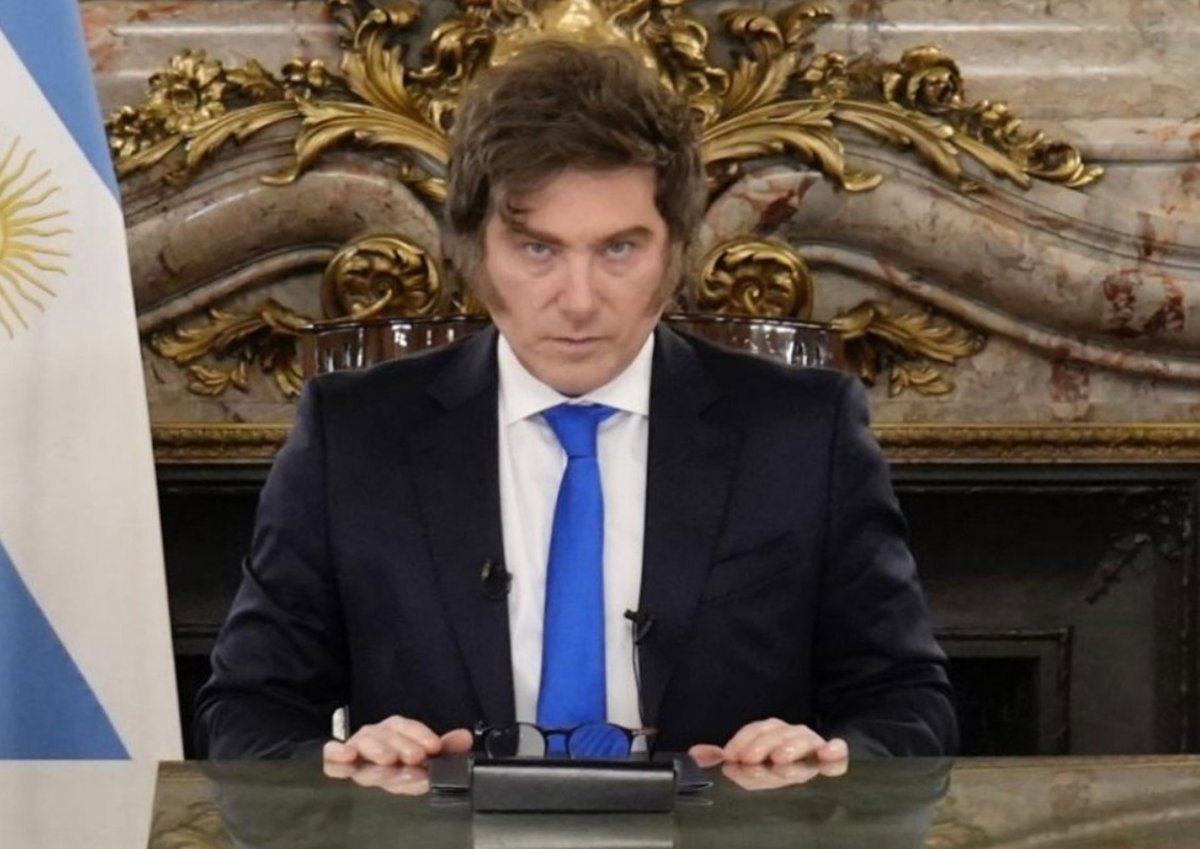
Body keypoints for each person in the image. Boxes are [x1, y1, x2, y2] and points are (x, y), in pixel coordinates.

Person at [195, 40, 956, 786]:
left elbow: (908, 706)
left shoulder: (804, 433)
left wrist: (822, 762)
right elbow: (248, 711)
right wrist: (343, 770)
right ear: (475, 251)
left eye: (619, 249)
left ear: (675, 250)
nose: (580, 300)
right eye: (538, 250)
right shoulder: (355, 434)